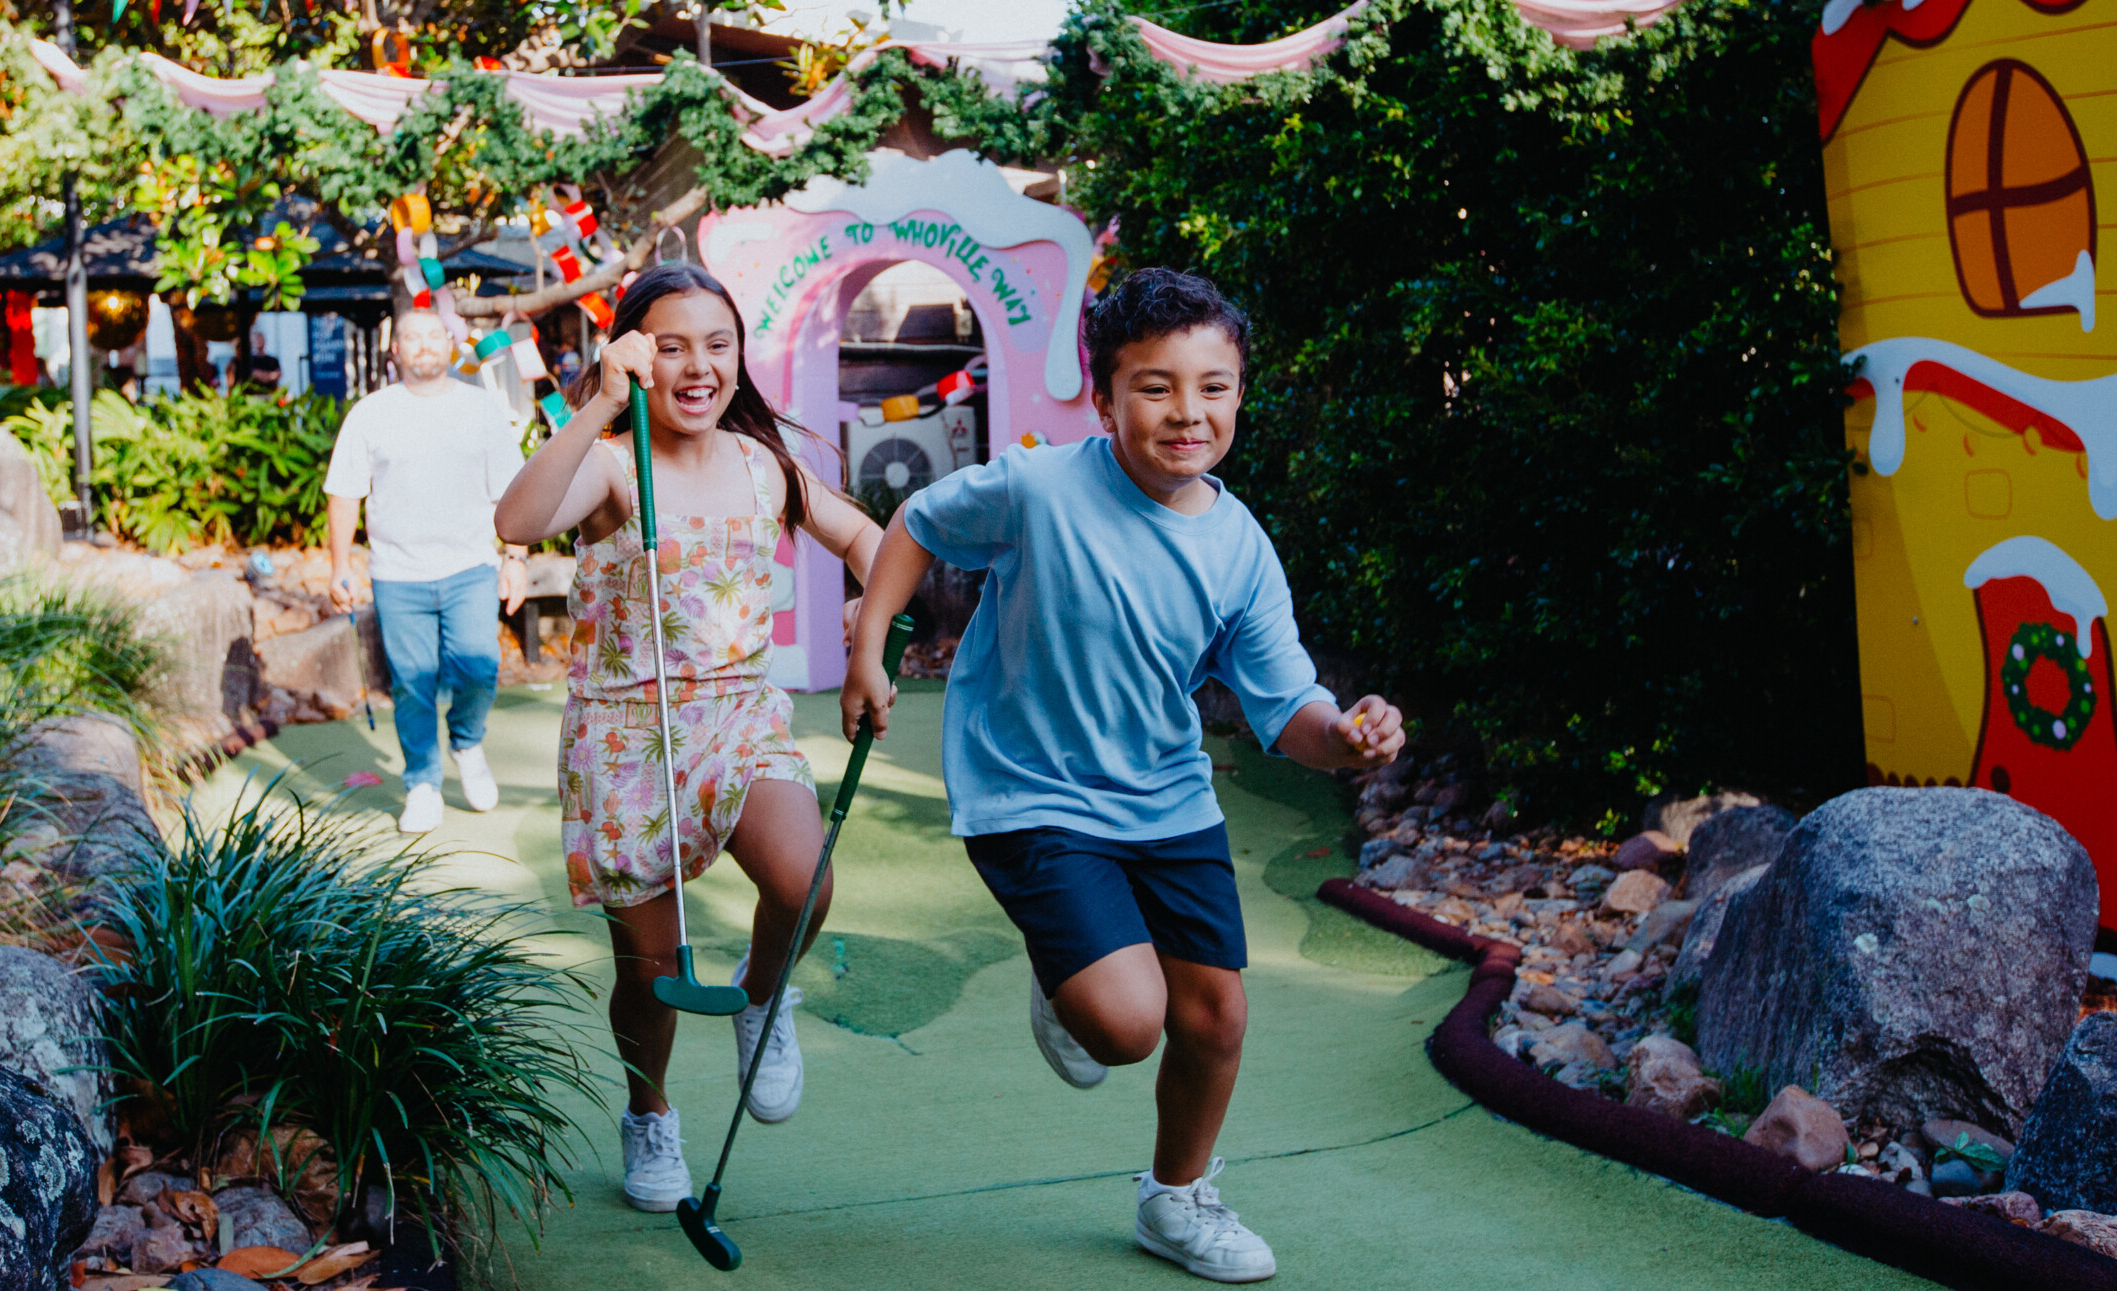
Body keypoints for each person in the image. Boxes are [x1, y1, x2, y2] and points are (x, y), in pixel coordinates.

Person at [841, 267, 1406, 1285]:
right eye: (1154, 386)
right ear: (1104, 398)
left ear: (1239, 392)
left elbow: (1289, 713)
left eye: (1212, 386)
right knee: (1126, 1024)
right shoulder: (1038, 488)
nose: (1186, 412)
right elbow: (919, 522)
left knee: (1216, 1016)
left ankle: (1176, 1200)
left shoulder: (1239, 546)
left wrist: (1348, 736)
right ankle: (1073, 980)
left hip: (1164, 797)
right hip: (1029, 792)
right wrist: (870, 643)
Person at [494, 262, 883, 1214]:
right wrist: (598, 399)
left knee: (807, 879)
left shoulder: (764, 465)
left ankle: (760, 997)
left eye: (717, 344)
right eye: (670, 346)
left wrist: (871, 614)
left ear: (740, 357)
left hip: (738, 716)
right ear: (635, 355)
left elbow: (870, 539)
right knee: (653, 971)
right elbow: (515, 518)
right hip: (628, 736)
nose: (698, 366)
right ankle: (650, 1110)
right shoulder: (613, 468)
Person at [325, 307, 532, 834]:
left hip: (470, 566)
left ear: (450, 346)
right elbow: (344, 492)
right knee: (412, 684)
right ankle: (422, 782)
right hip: (397, 573)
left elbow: (511, 492)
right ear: (394, 350)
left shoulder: (480, 409)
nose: (421, 345)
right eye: (409, 337)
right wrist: (339, 566)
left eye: (432, 336)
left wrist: (517, 559)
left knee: (480, 666)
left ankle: (466, 741)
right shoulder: (370, 414)